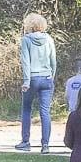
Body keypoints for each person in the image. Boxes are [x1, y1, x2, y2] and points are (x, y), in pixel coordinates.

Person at [18, 13, 57, 153]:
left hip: (32, 78)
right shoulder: (49, 39)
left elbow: (26, 62)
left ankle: (25, 141)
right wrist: (51, 76)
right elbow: (53, 61)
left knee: (26, 109)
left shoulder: (26, 40)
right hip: (46, 78)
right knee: (45, 112)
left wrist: (26, 81)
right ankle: (45, 145)